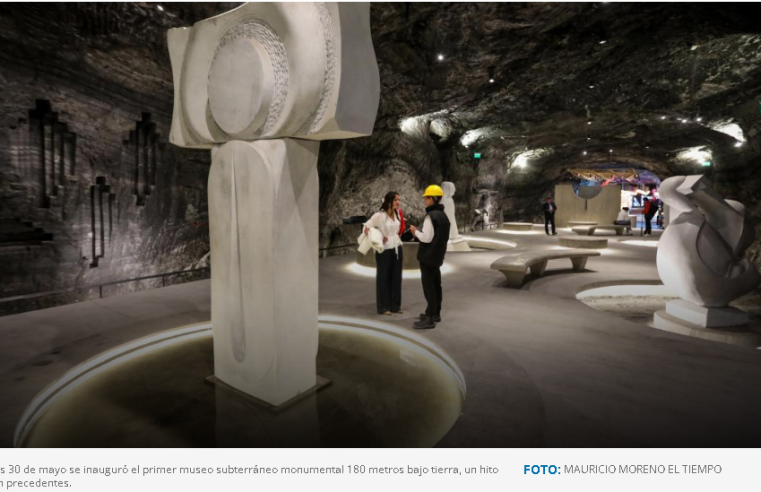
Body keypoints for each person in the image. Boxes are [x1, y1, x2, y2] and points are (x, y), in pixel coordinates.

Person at [410, 185, 450, 330]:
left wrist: (415, 232)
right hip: (437, 257)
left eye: (426, 198)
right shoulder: (443, 216)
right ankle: (436, 313)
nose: (425, 200)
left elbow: (426, 238)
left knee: (429, 287)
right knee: (436, 285)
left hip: (428, 257)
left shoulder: (431, 216)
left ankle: (429, 318)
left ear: (432, 199)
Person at [365, 191, 404, 315]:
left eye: (398, 200)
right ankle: (384, 307)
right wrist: (379, 236)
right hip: (384, 250)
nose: (398, 202)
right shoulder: (379, 215)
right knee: (384, 278)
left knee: (396, 278)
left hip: (397, 247)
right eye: (396, 200)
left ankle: (395, 306)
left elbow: (398, 229)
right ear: (389, 201)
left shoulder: (397, 213)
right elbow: (366, 228)